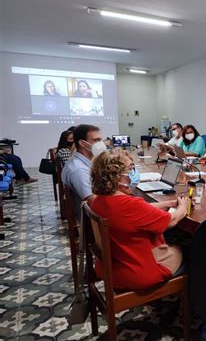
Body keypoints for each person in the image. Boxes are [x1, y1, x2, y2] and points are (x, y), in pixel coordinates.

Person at [90, 149, 188, 290]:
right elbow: (171, 220)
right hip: (138, 271)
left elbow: (140, 211)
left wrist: (167, 204)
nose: (134, 173)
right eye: (130, 169)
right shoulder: (130, 205)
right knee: (188, 247)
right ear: (116, 176)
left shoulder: (98, 200)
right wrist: (182, 207)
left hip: (112, 267)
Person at [62, 124, 104, 218]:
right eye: (96, 140)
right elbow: (94, 201)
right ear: (82, 143)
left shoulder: (83, 162)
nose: (101, 143)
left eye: (100, 140)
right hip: (93, 221)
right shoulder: (79, 170)